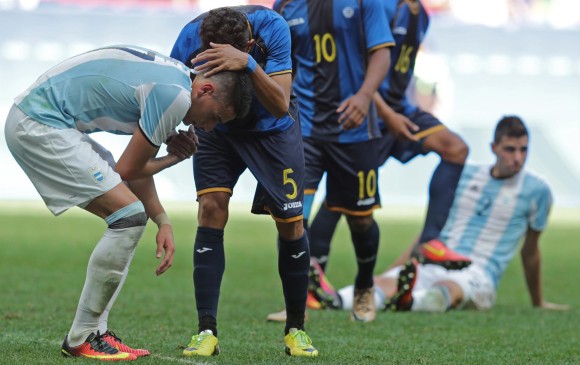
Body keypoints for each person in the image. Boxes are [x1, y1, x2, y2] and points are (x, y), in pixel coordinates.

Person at [4, 45, 252, 361]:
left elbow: (132, 172)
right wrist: (176, 156)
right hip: (38, 124)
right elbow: (129, 170)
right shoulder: (175, 96)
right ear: (205, 89)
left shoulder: (175, 80)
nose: (208, 128)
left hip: (46, 120)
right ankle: (82, 337)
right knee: (129, 217)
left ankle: (94, 332)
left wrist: (162, 219)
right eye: (215, 117)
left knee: (131, 217)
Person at [170, 6, 318, 357]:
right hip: (217, 127)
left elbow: (281, 104)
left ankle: (296, 329)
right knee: (210, 208)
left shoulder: (274, 29)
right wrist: (171, 134)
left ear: (249, 43)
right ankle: (206, 331)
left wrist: (248, 64)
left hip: (272, 131)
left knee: (290, 223)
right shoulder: (189, 38)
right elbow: (172, 94)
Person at [313, 116, 569, 313]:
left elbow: (531, 250)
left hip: (478, 273)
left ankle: (410, 301)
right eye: (510, 149)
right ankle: (333, 300)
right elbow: (430, 231)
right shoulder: (465, 174)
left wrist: (539, 302)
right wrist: (397, 268)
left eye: (523, 150)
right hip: (436, 258)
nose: (518, 157)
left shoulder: (537, 190)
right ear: (493, 147)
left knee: (449, 290)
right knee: (385, 283)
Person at [304, 0, 470, 293]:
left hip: (400, 109)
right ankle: (311, 284)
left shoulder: (420, 13)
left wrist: (401, 111)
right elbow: (358, 68)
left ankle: (429, 241)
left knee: (455, 148)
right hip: (372, 113)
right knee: (345, 200)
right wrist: (386, 114)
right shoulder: (380, 7)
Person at [274, 0, 395, 323]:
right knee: (292, 217)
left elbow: (382, 52)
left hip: (355, 130)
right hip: (306, 131)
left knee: (361, 220)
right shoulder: (285, 6)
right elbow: (282, 63)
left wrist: (365, 95)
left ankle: (365, 286)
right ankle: (297, 304)